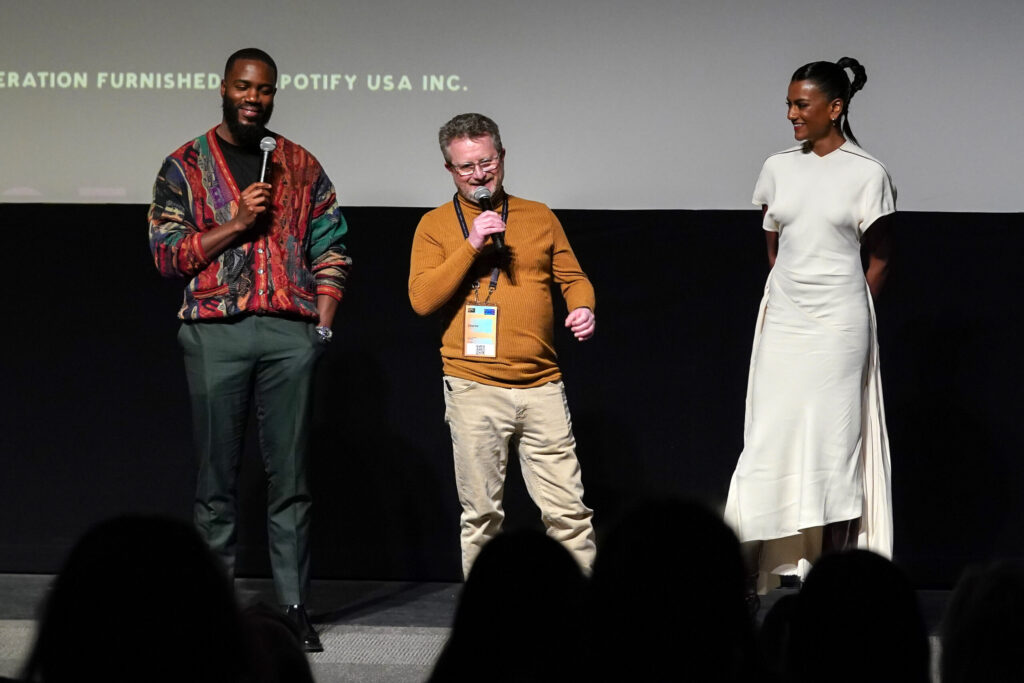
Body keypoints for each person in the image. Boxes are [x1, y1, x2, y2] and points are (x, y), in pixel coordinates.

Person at [148, 47, 351, 651]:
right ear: (223, 88)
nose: (252, 99)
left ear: (273, 95)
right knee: (216, 479)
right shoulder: (184, 165)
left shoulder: (299, 164)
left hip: (290, 333)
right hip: (216, 332)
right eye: (243, 87)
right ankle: (212, 609)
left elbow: (333, 248)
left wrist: (319, 327)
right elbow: (166, 255)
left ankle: (293, 605)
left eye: (263, 91)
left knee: (291, 476)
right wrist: (235, 223)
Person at [724, 58, 895, 594]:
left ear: (835, 108)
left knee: (833, 444)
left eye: (802, 105)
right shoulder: (778, 166)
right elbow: (774, 246)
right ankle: (757, 572)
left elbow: (881, 258)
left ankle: (833, 579)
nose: (792, 114)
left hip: (840, 324)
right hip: (786, 319)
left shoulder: (868, 172)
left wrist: (845, 308)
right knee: (769, 438)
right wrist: (796, 297)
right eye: (789, 105)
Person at [409, 113, 597, 577]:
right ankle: (484, 629)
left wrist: (583, 307)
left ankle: (582, 622)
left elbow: (573, 278)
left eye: (486, 162)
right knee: (482, 518)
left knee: (569, 514)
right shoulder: (434, 226)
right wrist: (472, 243)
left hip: (542, 385)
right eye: (466, 167)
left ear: (502, 156)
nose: (479, 175)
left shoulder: (538, 216)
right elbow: (422, 299)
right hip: (473, 386)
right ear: (450, 170)